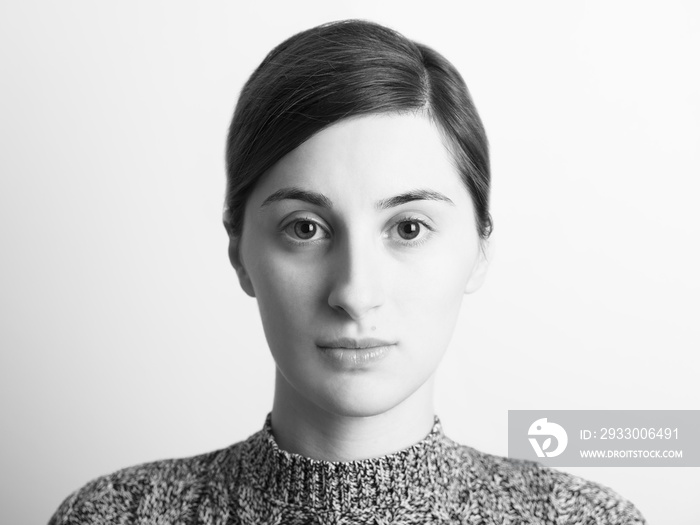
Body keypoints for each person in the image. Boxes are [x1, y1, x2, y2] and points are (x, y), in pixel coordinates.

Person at [48, 19, 646, 525]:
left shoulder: (587, 518)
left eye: (408, 228)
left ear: (480, 248)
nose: (356, 293)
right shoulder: (111, 515)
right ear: (239, 251)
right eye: (305, 228)